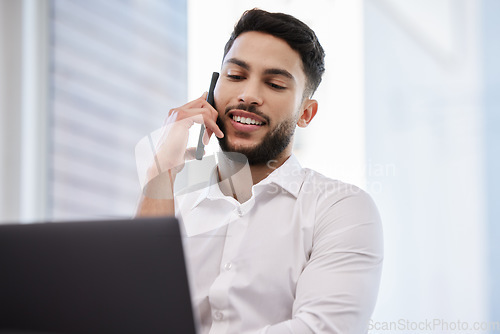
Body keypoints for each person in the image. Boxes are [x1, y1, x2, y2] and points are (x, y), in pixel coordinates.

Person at [136, 8, 383, 334]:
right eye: (235, 76)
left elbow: (321, 330)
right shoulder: (172, 199)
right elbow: (134, 314)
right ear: (212, 91)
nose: (249, 95)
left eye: (275, 84)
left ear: (305, 114)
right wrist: (160, 171)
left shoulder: (340, 209)